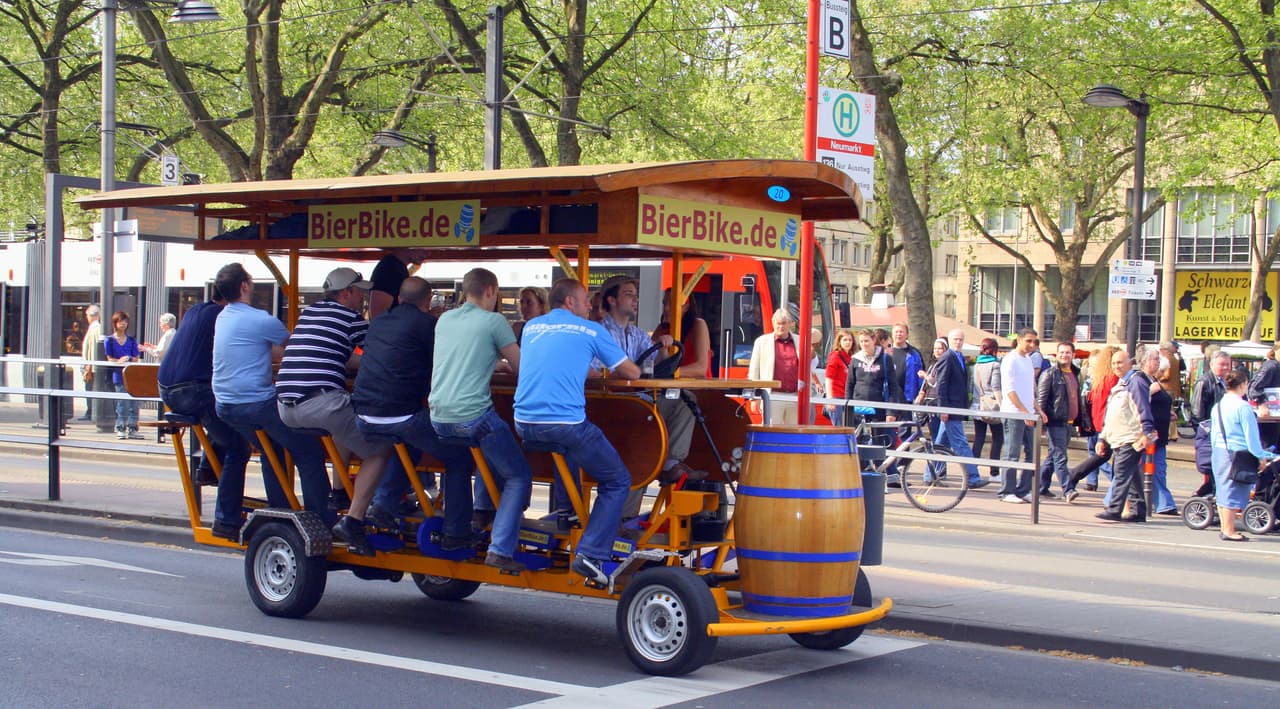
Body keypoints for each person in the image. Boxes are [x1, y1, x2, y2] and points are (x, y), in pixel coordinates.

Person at [514, 278, 641, 585]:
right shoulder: (590, 330)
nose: (590, 307)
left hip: (524, 422)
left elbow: (560, 362)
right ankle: (591, 552)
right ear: (570, 302)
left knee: (568, 447)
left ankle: (569, 512)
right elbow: (632, 372)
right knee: (617, 479)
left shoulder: (532, 328)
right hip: (565, 423)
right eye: (586, 301)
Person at [349, 276, 485, 560]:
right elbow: (448, 360)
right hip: (399, 413)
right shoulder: (427, 325)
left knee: (406, 443)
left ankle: (383, 506)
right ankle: (457, 531)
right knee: (460, 456)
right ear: (427, 301)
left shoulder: (379, 322)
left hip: (362, 412)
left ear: (399, 298)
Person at [276, 267, 393, 556]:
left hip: (285, 405)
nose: (363, 298)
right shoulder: (349, 317)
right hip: (321, 402)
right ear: (346, 293)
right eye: (360, 292)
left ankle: (338, 492)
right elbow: (382, 350)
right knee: (380, 450)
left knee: (342, 423)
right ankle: (353, 520)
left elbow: (340, 354)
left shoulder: (309, 314)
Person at [428, 268, 534, 573]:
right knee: (518, 475)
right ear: (491, 291)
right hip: (472, 418)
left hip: (439, 419)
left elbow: (464, 355)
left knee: (472, 460)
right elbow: (522, 367)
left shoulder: (445, 319)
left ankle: (478, 516)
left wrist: (492, 363)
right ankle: (500, 549)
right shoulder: (495, 321)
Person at [212, 262, 332, 531]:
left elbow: (260, 350)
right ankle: (321, 518)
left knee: (272, 448)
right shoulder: (260, 319)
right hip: (255, 404)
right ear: (244, 286)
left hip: (225, 404)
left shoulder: (224, 316)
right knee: (309, 450)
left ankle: (281, 510)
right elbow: (296, 348)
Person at [597, 275, 704, 486]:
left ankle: (669, 462)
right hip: (609, 403)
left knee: (685, 400)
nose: (635, 300)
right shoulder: (599, 331)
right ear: (612, 300)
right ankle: (666, 465)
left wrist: (663, 348)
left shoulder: (636, 334)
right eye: (629, 295)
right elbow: (593, 372)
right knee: (642, 447)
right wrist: (620, 375)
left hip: (637, 402)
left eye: (636, 296)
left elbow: (657, 366)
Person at [157, 287, 240, 488]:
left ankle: (206, 468)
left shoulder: (194, 310)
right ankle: (227, 516)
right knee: (238, 445)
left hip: (165, 389)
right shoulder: (224, 315)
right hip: (192, 392)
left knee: (223, 414)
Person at [1210, 369, 1274, 541]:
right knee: (1233, 489)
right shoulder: (1243, 407)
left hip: (1219, 451)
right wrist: (1263, 455)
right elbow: (1252, 439)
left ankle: (1225, 528)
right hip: (1237, 453)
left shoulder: (1218, 406)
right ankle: (1230, 531)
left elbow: (1213, 433)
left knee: (1223, 489)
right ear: (1243, 384)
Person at [1095, 349, 1157, 522]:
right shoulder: (1121, 384)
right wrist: (1103, 438)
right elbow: (1111, 414)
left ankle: (1114, 509)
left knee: (1121, 472)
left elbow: (1142, 407)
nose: (1116, 366)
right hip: (1119, 437)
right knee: (1132, 474)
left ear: (1130, 363)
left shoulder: (1135, 382)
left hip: (1131, 437)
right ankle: (1138, 511)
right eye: (1114, 363)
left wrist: (1146, 431)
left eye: (1120, 362)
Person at [930, 328, 986, 488]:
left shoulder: (960, 357)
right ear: (950, 341)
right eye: (955, 340)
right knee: (961, 443)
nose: (958, 342)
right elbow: (941, 384)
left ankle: (930, 473)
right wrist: (944, 409)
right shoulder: (947, 357)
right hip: (950, 408)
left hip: (956, 407)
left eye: (961, 339)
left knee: (941, 443)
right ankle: (973, 477)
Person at [998, 328, 1040, 503]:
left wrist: (1037, 409)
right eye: (1028, 341)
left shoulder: (1028, 360)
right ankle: (1006, 491)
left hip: (1027, 412)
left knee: (1032, 452)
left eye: (1034, 342)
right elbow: (1010, 390)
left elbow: (1029, 389)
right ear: (1020, 340)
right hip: (1014, 413)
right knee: (1012, 452)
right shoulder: (1010, 360)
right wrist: (1024, 412)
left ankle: (1024, 489)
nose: (1031, 345)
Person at [1036, 342, 1081, 498]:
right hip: (1054, 421)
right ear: (1057, 354)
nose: (1064, 355)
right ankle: (1068, 489)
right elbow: (1041, 399)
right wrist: (1040, 420)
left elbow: (1075, 398)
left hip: (1068, 422)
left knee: (1052, 456)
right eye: (1061, 352)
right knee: (1060, 456)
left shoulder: (1075, 373)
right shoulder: (1050, 373)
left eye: (1067, 352)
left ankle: (1040, 487)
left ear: (1073, 355)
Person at [748, 308, 803, 424]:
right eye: (778, 324)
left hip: (795, 396)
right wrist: (754, 397)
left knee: (794, 435)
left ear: (790, 324)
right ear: (773, 323)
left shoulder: (800, 342)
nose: (780, 327)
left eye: (783, 324)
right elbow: (754, 371)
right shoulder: (761, 342)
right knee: (772, 430)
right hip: (772, 396)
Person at [1190, 350, 1232, 497]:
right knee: (1214, 472)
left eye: (1228, 364)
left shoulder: (1227, 382)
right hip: (1211, 434)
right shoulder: (1204, 382)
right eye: (1222, 365)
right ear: (1212, 364)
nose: (1226, 367)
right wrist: (1206, 434)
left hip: (1224, 433)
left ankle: (1208, 496)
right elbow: (1197, 413)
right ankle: (1207, 498)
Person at [1143, 348, 1178, 515]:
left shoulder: (1154, 380)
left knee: (1158, 469)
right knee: (1148, 469)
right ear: (1146, 361)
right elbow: (1139, 401)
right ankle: (1164, 503)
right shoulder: (1143, 380)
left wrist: (1167, 413)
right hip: (1150, 433)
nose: (1158, 362)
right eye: (1155, 359)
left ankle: (1164, 503)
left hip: (1160, 433)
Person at [844, 328, 903, 424]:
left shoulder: (885, 358)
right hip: (858, 407)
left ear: (874, 340)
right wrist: (847, 407)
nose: (864, 344)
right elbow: (849, 385)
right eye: (861, 341)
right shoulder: (855, 360)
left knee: (879, 437)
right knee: (858, 438)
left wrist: (891, 412)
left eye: (866, 341)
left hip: (879, 407)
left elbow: (893, 387)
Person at [654, 288, 712, 378]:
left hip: (698, 390)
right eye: (664, 303)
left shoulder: (698, 325)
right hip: (671, 389)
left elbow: (701, 368)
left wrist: (669, 372)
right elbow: (648, 358)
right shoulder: (661, 329)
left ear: (686, 307)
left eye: (672, 304)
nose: (666, 308)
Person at [103, 310, 141, 439]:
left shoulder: (131, 340)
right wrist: (118, 361)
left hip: (132, 375)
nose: (123, 324)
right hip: (118, 375)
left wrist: (128, 358)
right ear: (115, 323)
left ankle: (133, 428)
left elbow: (136, 358)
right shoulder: (110, 340)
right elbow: (109, 358)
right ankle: (121, 427)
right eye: (120, 321)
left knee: (134, 403)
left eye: (125, 322)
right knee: (122, 403)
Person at [970, 337, 1004, 481]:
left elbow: (972, 387)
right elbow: (996, 387)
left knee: (979, 438)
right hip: (992, 406)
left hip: (978, 406)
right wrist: (1002, 405)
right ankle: (994, 472)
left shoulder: (975, 365)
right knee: (997, 438)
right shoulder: (995, 365)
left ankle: (972, 470)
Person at [368, 249, 429, 319]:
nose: (427, 254)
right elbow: (377, 314)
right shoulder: (389, 267)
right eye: (422, 248)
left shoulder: (397, 267)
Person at [1247, 342, 1280, 448]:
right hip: (1269, 418)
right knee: (1269, 448)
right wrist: (1262, 403)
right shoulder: (1272, 366)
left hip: (1275, 417)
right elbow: (1253, 387)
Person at [889, 322, 924, 407]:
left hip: (909, 398)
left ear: (907, 335)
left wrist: (921, 393)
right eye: (896, 332)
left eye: (901, 332)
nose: (898, 334)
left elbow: (921, 376)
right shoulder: (886, 352)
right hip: (890, 397)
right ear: (892, 334)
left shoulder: (914, 353)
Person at [824, 329, 855, 426]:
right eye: (845, 340)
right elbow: (829, 377)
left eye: (850, 340)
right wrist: (830, 398)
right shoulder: (835, 356)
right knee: (838, 427)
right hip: (836, 396)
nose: (848, 342)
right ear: (839, 342)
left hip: (847, 396)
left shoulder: (851, 356)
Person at [78, 304, 102, 421]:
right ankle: (90, 412)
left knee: (90, 389)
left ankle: (90, 412)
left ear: (90, 316)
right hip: (90, 366)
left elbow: (94, 350)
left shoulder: (95, 328)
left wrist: (89, 367)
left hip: (90, 367)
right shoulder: (95, 328)